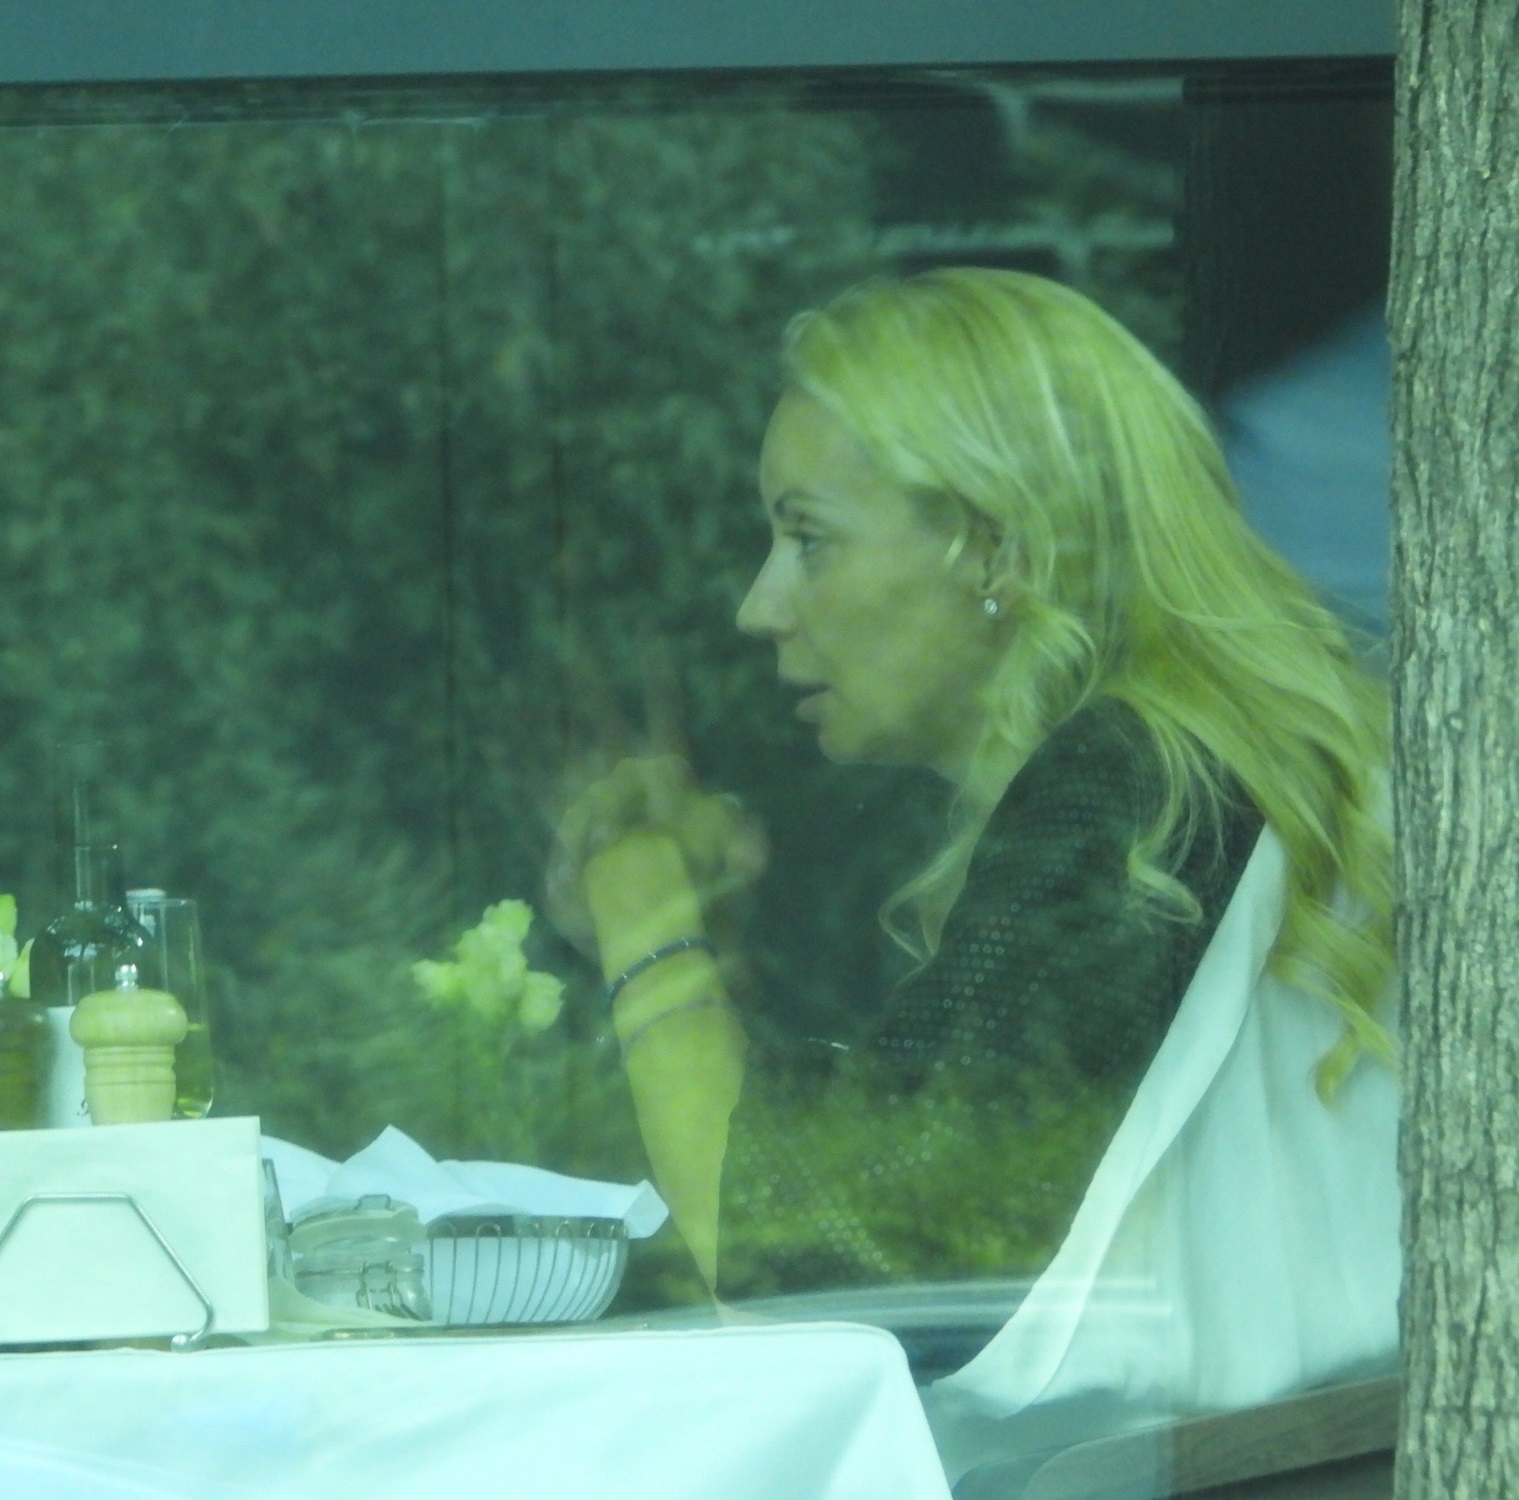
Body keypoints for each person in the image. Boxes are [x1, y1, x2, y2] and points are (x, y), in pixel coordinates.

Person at [548, 267, 1394, 1316]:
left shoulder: (1133, 781)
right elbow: (915, 1147)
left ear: (993, 546)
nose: (758, 607)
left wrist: (645, 914)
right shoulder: (1203, 754)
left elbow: (815, 1255)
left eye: (809, 539)